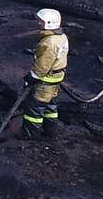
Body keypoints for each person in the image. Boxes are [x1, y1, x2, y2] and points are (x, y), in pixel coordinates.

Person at [22, 8, 70, 141]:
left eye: (41, 21)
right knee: (50, 106)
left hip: (45, 81)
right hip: (56, 77)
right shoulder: (61, 36)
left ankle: (30, 136)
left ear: (49, 23)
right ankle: (50, 131)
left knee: (34, 109)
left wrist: (32, 77)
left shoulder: (48, 42)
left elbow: (43, 65)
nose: (38, 23)